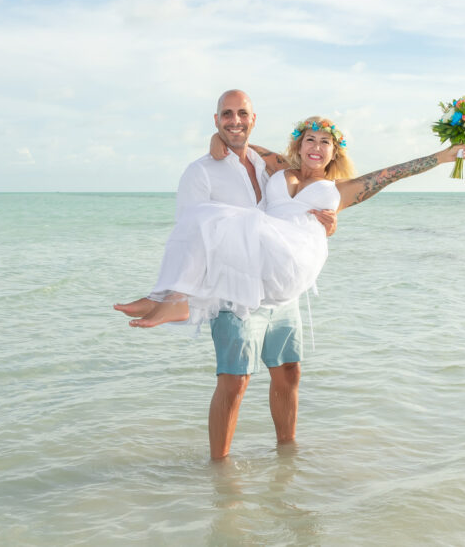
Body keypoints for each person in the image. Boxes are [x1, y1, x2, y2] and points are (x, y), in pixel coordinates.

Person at [116, 91, 465, 459]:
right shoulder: (278, 168)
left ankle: (287, 452)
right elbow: (241, 139)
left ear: (335, 152)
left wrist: (442, 157)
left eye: (325, 142)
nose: (316, 147)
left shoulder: (340, 190)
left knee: (288, 372)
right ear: (298, 146)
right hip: (256, 268)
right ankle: (172, 300)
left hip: (291, 266)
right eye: (310, 139)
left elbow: (391, 174)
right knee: (208, 221)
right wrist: (216, 138)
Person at [115, 90, 338, 461]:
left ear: (253, 119)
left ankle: (288, 458)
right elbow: (190, 234)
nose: (235, 121)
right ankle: (219, 469)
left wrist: (325, 224)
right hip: (232, 293)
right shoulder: (201, 171)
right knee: (235, 381)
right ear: (216, 120)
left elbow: (304, 194)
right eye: (227, 114)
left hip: (278, 288)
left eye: (242, 114)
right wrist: (187, 292)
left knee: (289, 372)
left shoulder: (269, 167)